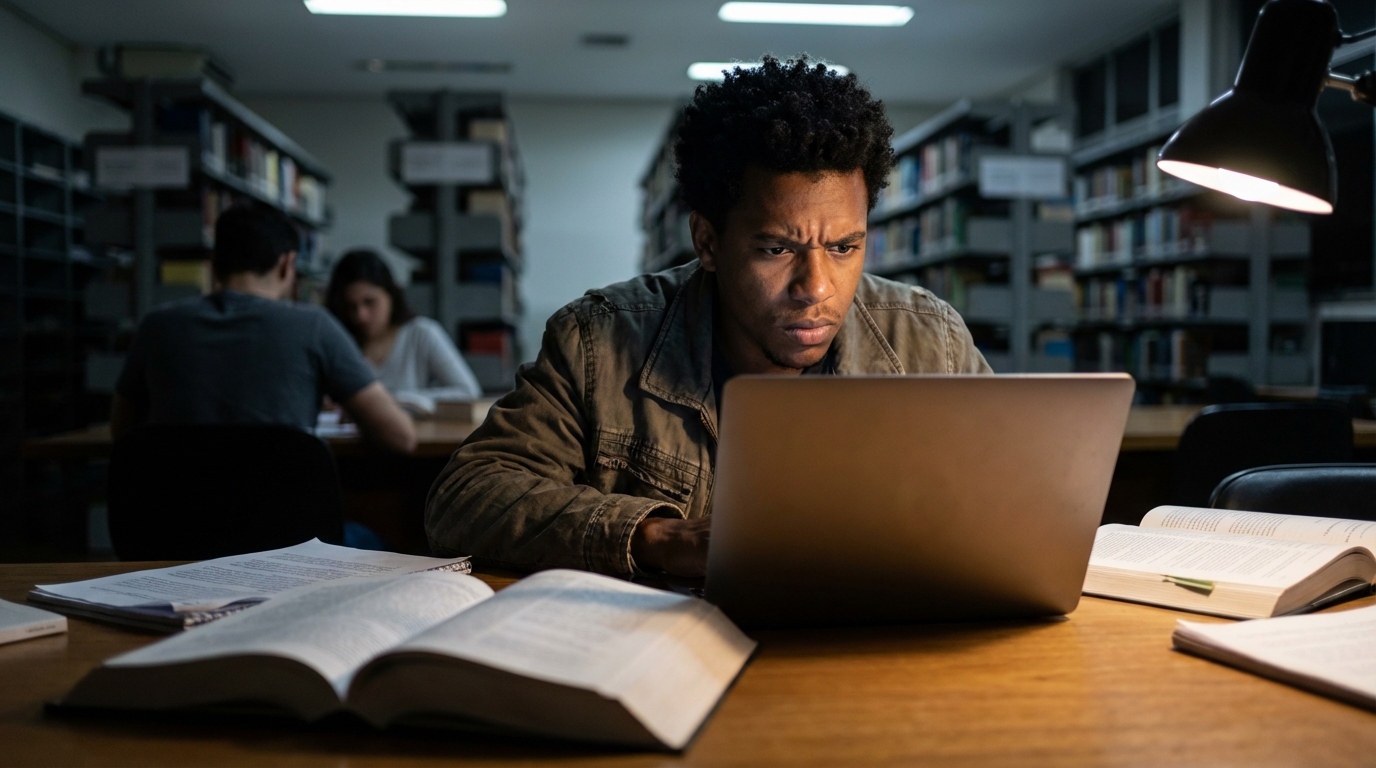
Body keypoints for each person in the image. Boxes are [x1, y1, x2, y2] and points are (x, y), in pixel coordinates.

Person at [425, 55, 990, 579]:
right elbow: (467, 497)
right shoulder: (598, 341)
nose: (816, 288)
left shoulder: (930, 340)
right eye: (777, 249)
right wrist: (657, 537)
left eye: (844, 247)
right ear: (708, 241)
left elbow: (1013, 496)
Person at [112, 206, 416, 454]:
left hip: (175, 510)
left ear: (214, 265)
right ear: (287, 265)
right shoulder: (314, 327)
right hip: (286, 512)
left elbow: (123, 431)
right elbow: (399, 437)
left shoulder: (156, 326)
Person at [325, 249, 483, 411]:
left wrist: (396, 400)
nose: (361, 316)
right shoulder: (339, 342)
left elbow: (468, 391)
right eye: (351, 306)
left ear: (391, 295)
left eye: (370, 302)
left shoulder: (421, 333)